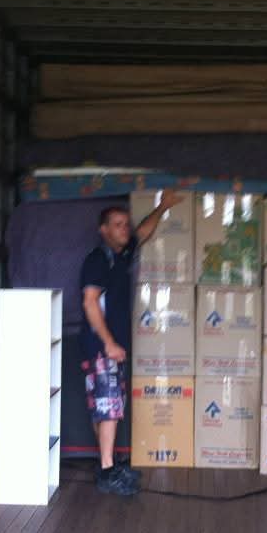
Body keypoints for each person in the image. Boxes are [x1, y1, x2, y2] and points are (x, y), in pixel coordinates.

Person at [79, 189, 183, 495]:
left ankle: (108, 463)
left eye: (126, 224)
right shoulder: (98, 259)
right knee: (109, 408)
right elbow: (89, 302)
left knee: (105, 406)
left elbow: (144, 232)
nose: (125, 229)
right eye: (118, 225)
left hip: (111, 347)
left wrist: (162, 206)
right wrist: (109, 343)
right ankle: (107, 472)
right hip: (101, 347)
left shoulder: (122, 254)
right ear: (104, 230)